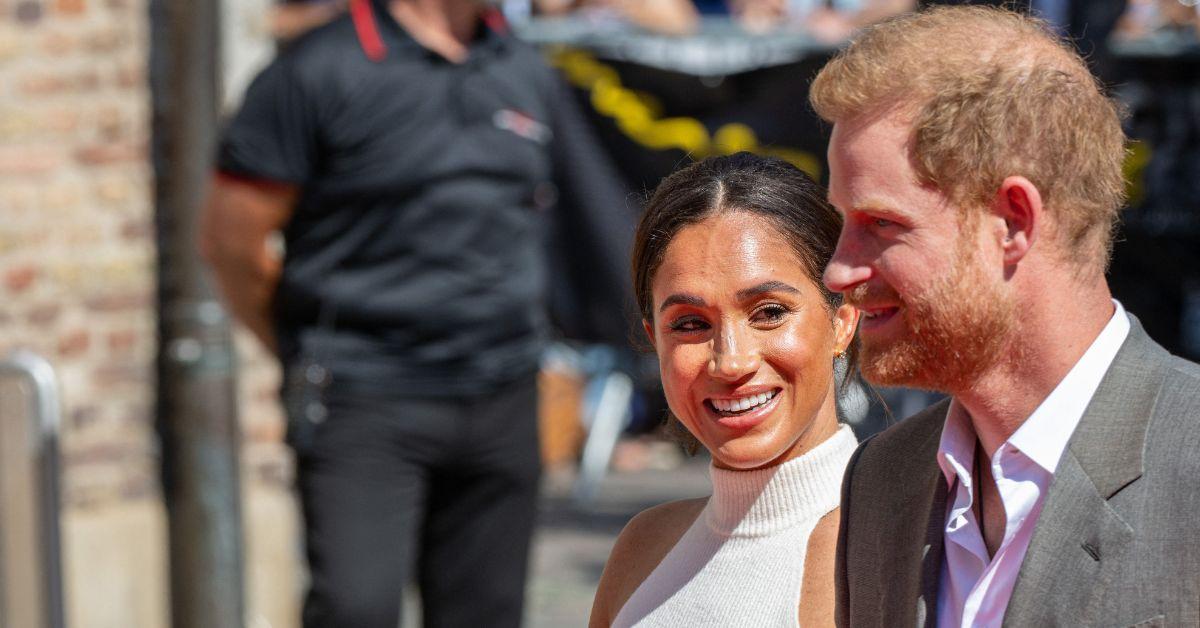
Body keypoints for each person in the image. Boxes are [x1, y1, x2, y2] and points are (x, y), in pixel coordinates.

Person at [198, 0, 619, 626]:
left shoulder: (523, 66)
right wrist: (302, 348)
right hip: (366, 399)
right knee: (355, 609)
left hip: (500, 393)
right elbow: (232, 243)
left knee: (486, 613)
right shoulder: (319, 70)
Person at [809, 5, 1200, 626]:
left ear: (1014, 221)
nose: (838, 271)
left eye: (880, 224)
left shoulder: (1189, 465)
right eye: (842, 225)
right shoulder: (885, 481)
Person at [588, 153, 861, 627]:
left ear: (842, 320)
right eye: (691, 324)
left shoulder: (906, 542)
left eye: (770, 312)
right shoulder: (644, 548)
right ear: (656, 342)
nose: (731, 361)